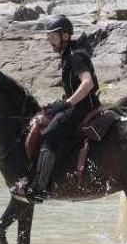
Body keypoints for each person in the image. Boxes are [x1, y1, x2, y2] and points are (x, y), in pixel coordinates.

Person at [11, 15, 101, 203]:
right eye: (49, 38)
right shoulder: (68, 54)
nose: (50, 42)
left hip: (84, 107)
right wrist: (60, 103)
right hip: (78, 104)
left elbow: (87, 84)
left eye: (53, 38)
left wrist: (67, 104)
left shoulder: (76, 56)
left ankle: (40, 188)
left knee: (49, 134)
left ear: (65, 36)